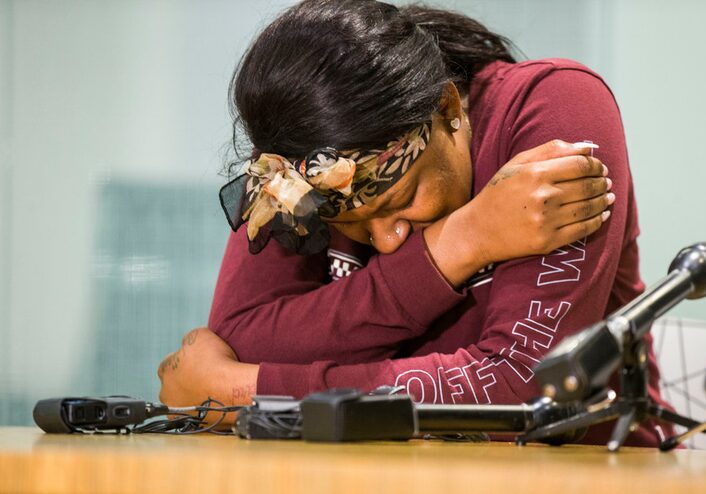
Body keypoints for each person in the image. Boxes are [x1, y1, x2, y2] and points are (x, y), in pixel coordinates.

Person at [157, 0, 671, 446]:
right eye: (354, 226)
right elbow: (240, 339)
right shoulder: (303, 156)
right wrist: (453, 249)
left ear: (448, 107)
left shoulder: (551, 107)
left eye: (401, 199)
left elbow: (525, 392)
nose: (387, 238)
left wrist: (241, 393)